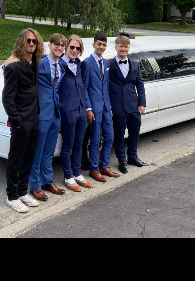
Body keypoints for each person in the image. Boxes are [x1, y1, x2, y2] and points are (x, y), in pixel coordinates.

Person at [2, 29, 43, 212]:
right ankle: (12, 196)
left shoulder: (34, 63)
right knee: (15, 159)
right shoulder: (13, 67)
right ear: (21, 42)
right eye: (28, 40)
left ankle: (22, 191)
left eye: (34, 41)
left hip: (34, 119)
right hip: (21, 121)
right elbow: (7, 98)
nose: (32, 44)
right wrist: (17, 120)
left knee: (29, 157)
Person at [29, 33, 66, 200]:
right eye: (56, 45)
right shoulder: (40, 63)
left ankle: (47, 181)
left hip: (55, 113)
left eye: (62, 46)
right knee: (38, 150)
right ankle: (34, 185)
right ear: (49, 45)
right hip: (42, 113)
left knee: (49, 150)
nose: (59, 48)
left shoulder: (62, 66)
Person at [81, 32, 119, 182]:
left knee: (110, 136)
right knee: (95, 139)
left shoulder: (106, 63)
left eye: (104, 45)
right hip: (94, 108)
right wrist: (88, 108)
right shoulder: (86, 63)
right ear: (94, 45)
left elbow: (106, 86)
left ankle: (104, 166)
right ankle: (94, 169)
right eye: (99, 44)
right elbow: (84, 88)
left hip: (106, 107)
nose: (101, 47)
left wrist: (108, 106)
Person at [58, 34, 93, 191]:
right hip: (67, 111)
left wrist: (87, 108)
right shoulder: (59, 65)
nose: (74, 50)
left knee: (79, 144)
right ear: (66, 47)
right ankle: (68, 176)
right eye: (72, 47)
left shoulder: (81, 65)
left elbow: (84, 87)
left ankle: (77, 173)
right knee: (67, 145)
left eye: (78, 48)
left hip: (81, 110)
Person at [108, 34, 148, 174]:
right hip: (117, 107)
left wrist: (142, 103)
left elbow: (140, 85)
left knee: (134, 134)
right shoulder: (110, 64)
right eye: (121, 47)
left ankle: (133, 157)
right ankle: (121, 161)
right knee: (119, 136)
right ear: (116, 48)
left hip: (133, 106)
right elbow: (105, 87)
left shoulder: (135, 64)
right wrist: (110, 107)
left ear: (128, 48)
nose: (123, 49)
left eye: (126, 47)